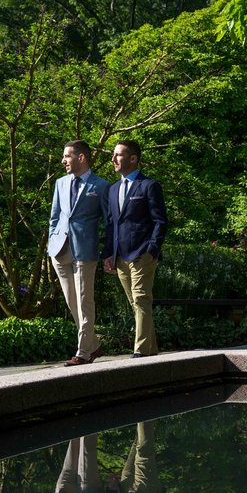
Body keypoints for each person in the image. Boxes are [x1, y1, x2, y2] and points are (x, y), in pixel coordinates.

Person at [103, 140, 167, 358]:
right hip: (120, 256)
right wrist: (109, 255)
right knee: (136, 303)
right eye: (113, 155)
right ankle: (152, 350)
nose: (113, 159)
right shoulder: (112, 190)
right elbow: (111, 224)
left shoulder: (149, 186)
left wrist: (152, 250)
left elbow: (160, 221)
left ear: (133, 158)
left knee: (140, 299)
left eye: (118, 155)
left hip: (142, 254)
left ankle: (140, 351)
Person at [48, 140, 109, 367]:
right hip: (60, 249)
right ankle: (94, 345)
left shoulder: (101, 185)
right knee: (72, 301)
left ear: (81, 157)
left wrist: (107, 250)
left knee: (84, 301)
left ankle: (84, 352)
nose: (63, 160)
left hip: (85, 249)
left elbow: (108, 220)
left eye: (67, 156)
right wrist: (50, 243)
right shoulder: (60, 183)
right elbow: (55, 217)